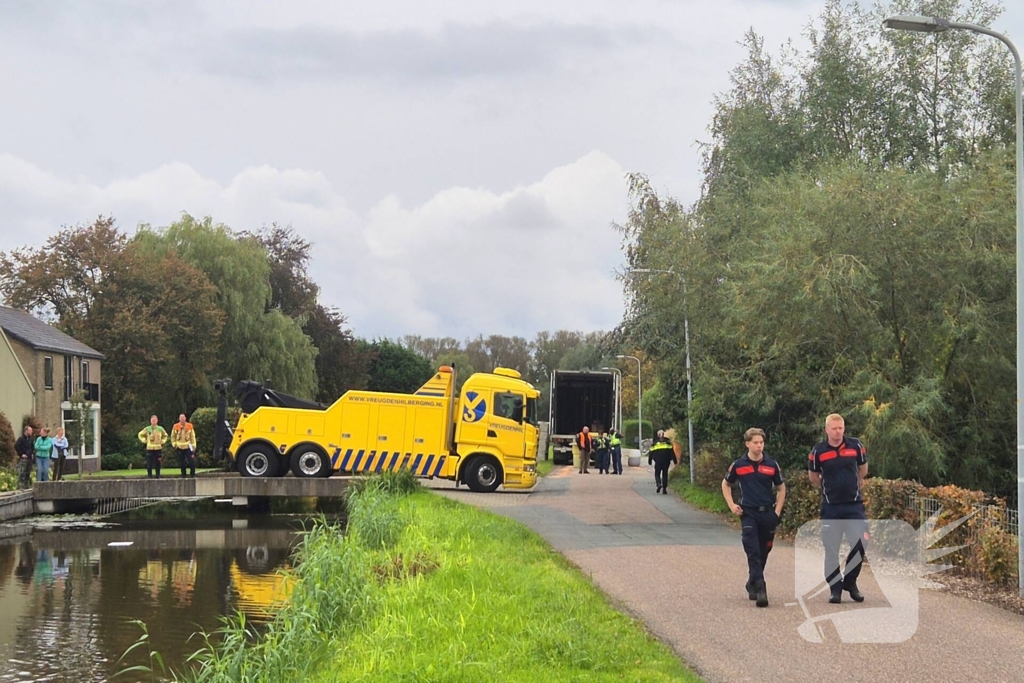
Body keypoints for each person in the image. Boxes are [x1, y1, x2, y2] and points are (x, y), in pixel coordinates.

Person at [808, 413, 869, 604]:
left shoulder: (855, 446)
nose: (837, 432)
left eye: (840, 428)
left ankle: (850, 582)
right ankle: (835, 589)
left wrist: (854, 483)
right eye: (834, 428)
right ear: (826, 429)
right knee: (831, 549)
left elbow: (863, 469)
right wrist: (830, 489)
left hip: (854, 506)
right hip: (831, 508)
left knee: (862, 542)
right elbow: (814, 476)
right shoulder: (818, 451)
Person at [722, 428, 786, 608]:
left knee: (764, 550)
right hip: (748, 513)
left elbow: (781, 488)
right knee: (752, 550)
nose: (759, 446)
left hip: (767, 513)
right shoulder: (739, 465)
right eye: (756, 442)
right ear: (747, 444)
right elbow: (726, 484)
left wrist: (777, 512)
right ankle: (761, 588)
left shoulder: (771, 465)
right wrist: (731, 504)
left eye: (761, 442)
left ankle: (752, 581)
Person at [648, 429, 676, 494]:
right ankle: (664, 489)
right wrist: (675, 461)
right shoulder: (668, 442)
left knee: (657, 474)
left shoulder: (655, 443)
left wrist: (650, 461)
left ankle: (658, 484)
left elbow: (651, 453)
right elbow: (672, 452)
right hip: (666, 461)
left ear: (658, 435)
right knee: (665, 474)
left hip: (658, 461)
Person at [171, 414, 197, 478]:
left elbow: (192, 436)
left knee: (191, 461)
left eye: (183, 418)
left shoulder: (190, 426)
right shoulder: (175, 426)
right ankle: (183, 475)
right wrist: (174, 444)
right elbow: (173, 436)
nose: (182, 419)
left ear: (185, 418)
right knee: (182, 462)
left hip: (188, 446)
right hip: (179, 446)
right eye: (181, 418)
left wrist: (193, 445)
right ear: (179, 419)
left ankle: (192, 474)